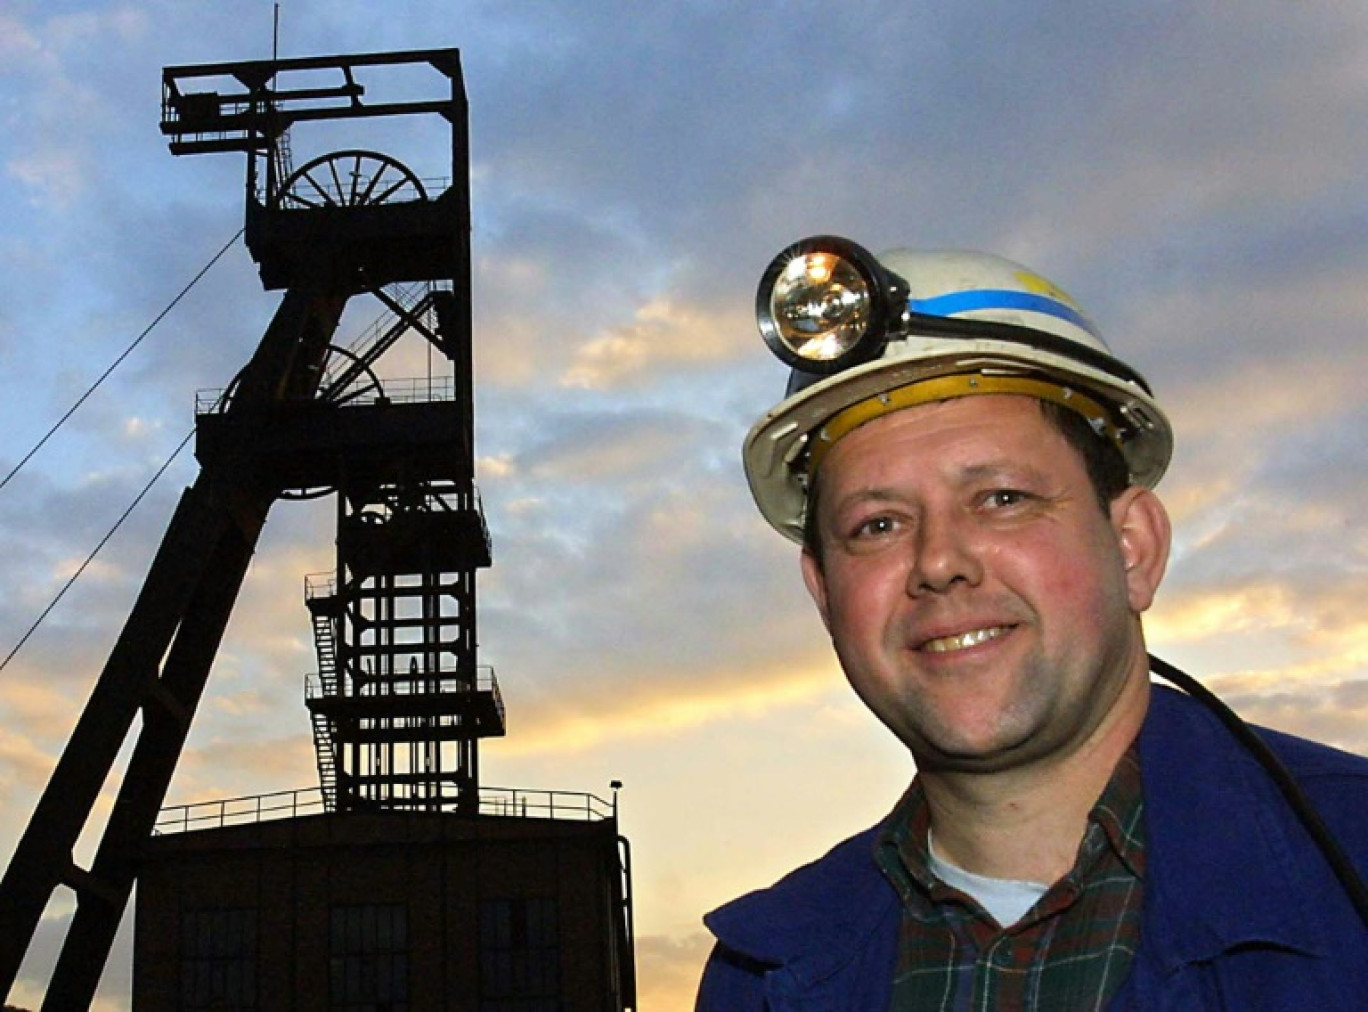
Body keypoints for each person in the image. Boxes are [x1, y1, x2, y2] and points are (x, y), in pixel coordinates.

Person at [697, 237, 1368, 1009]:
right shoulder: (765, 972)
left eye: (1003, 499)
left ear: (1134, 550)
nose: (938, 561)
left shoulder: (1350, 871)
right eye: (878, 525)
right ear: (824, 592)